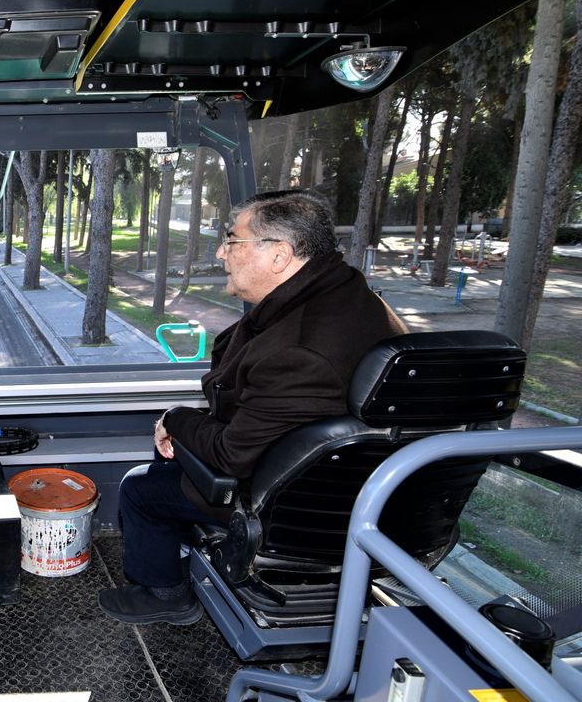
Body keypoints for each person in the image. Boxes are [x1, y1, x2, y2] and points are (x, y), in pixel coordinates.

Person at [98, 189, 407, 626]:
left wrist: (175, 418)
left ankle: (165, 594)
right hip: (360, 488)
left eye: (232, 240)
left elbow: (231, 456)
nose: (221, 253)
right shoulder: (350, 298)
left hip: (294, 508)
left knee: (140, 488)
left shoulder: (301, 350)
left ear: (279, 255)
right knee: (175, 453)